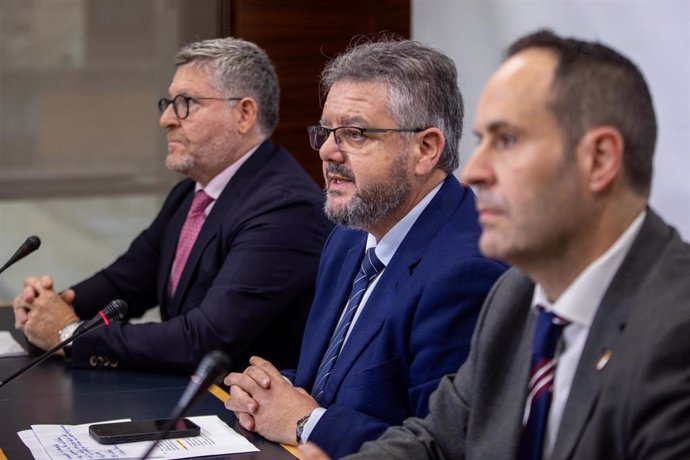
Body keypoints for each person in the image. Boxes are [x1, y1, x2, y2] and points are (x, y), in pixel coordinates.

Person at [299, 29, 690, 460]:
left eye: (506, 141)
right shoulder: (517, 295)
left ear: (598, 160)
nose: (476, 171)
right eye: (481, 141)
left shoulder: (676, 329)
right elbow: (438, 443)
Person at [224, 38, 506, 458]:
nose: (326, 150)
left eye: (354, 134)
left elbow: (444, 448)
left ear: (425, 149)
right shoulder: (349, 236)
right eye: (326, 131)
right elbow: (325, 383)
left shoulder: (468, 271)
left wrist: (306, 422)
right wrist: (265, 392)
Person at [12, 37, 332, 375]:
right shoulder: (189, 195)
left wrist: (69, 335)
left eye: (186, 103)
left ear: (244, 114)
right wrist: (50, 306)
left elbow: (206, 339)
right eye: (169, 102)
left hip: (238, 414)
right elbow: (125, 285)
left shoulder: (285, 208)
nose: (166, 119)